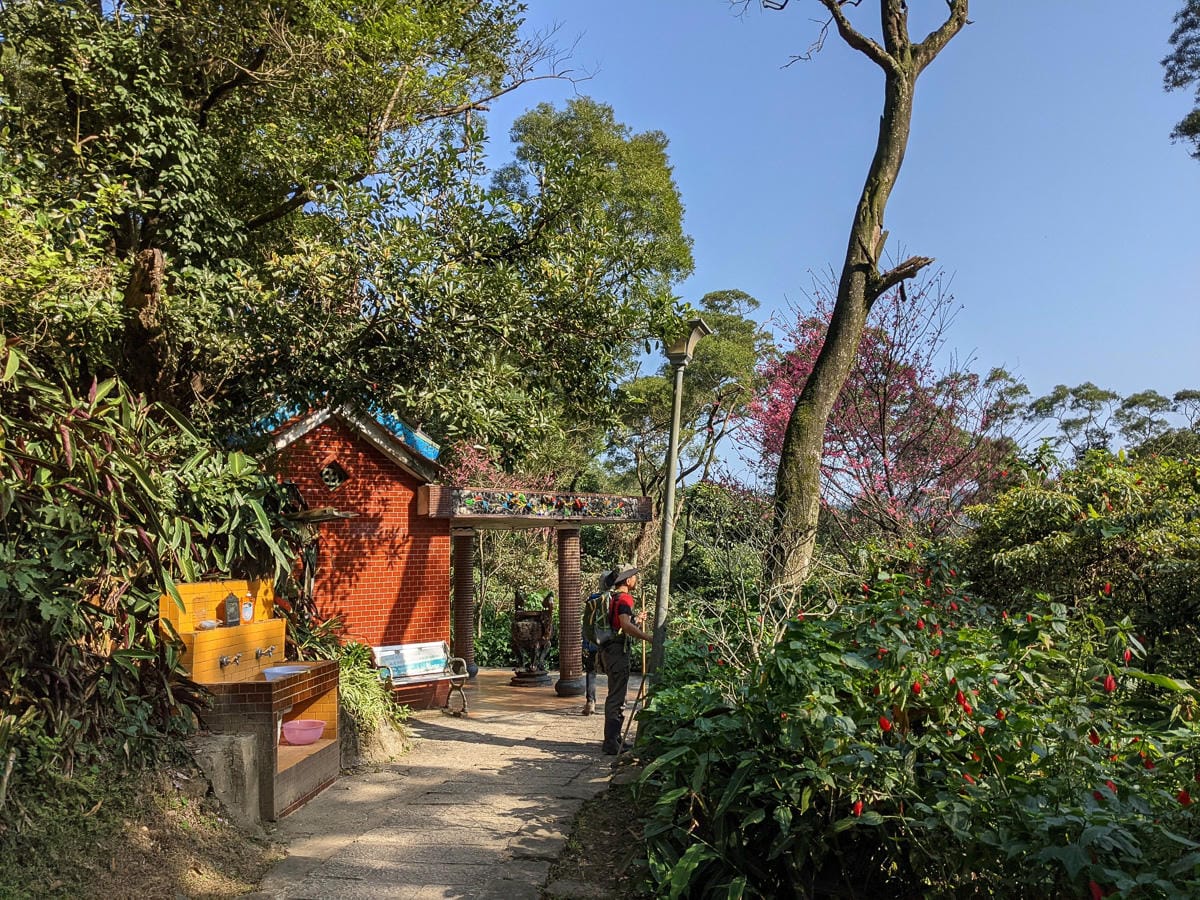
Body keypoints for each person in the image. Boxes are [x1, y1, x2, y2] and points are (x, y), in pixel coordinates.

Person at [600, 565, 651, 755]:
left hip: (609, 651)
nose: (636, 579)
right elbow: (625, 626)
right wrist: (648, 637)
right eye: (634, 577)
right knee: (616, 697)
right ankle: (611, 742)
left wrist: (636, 619)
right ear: (628, 581)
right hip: (617, 653)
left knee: (616, 694)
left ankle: (615, 738)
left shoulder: (613, 598)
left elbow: (618, 625)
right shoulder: (625, 598)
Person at [581, 570, 612, 716]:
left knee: (591, 672)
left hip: (594, 641)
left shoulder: (593, 600)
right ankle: (614, 703)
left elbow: (587, 623)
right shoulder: (615, 599)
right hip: (611, 643)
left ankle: (590, 702)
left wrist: (586, 643)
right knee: (613, 673)